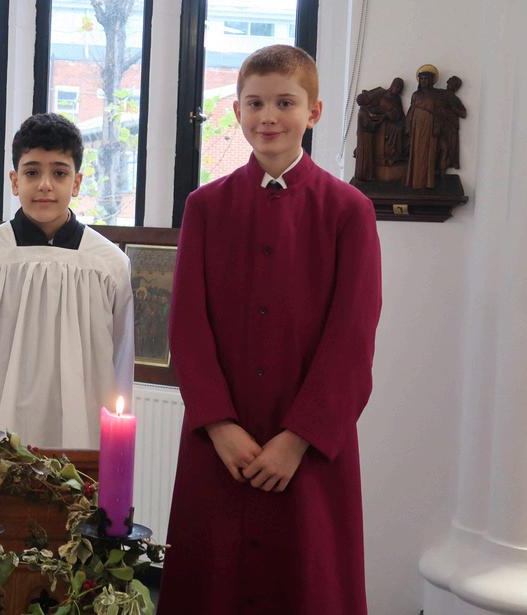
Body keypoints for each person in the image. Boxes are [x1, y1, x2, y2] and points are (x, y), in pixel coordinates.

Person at [159, 45, 381, 614]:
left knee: (307, 583)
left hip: (308, 450)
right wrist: (219, 425)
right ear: (237, 112)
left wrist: (297, 438)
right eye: (255, 103)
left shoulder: (349, 210)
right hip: (220, 445)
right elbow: (187, 328)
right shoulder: (205, 206)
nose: (268, 117)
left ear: (314, 112)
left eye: (285, 102)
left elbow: (352, 338)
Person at [0, 112, 133, 449]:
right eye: (32, 172)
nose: (45, 185)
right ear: (14, 181)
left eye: (59, 173)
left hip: (81, 424)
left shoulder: (108, 264)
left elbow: (121, 361)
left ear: (77, 183)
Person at [404, 64, 442, 189]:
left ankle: (427, 182)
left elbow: (439, 113)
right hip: (417, 127)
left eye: (426, 79)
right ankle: (415, 181)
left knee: (428, 152)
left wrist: (436, 126)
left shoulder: (436, 95)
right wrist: (408, 127)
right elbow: (411, 110)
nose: (423, 81)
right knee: (416, 152)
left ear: (431, 80)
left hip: (429, 125)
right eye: (421, 79)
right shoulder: (416, 95)